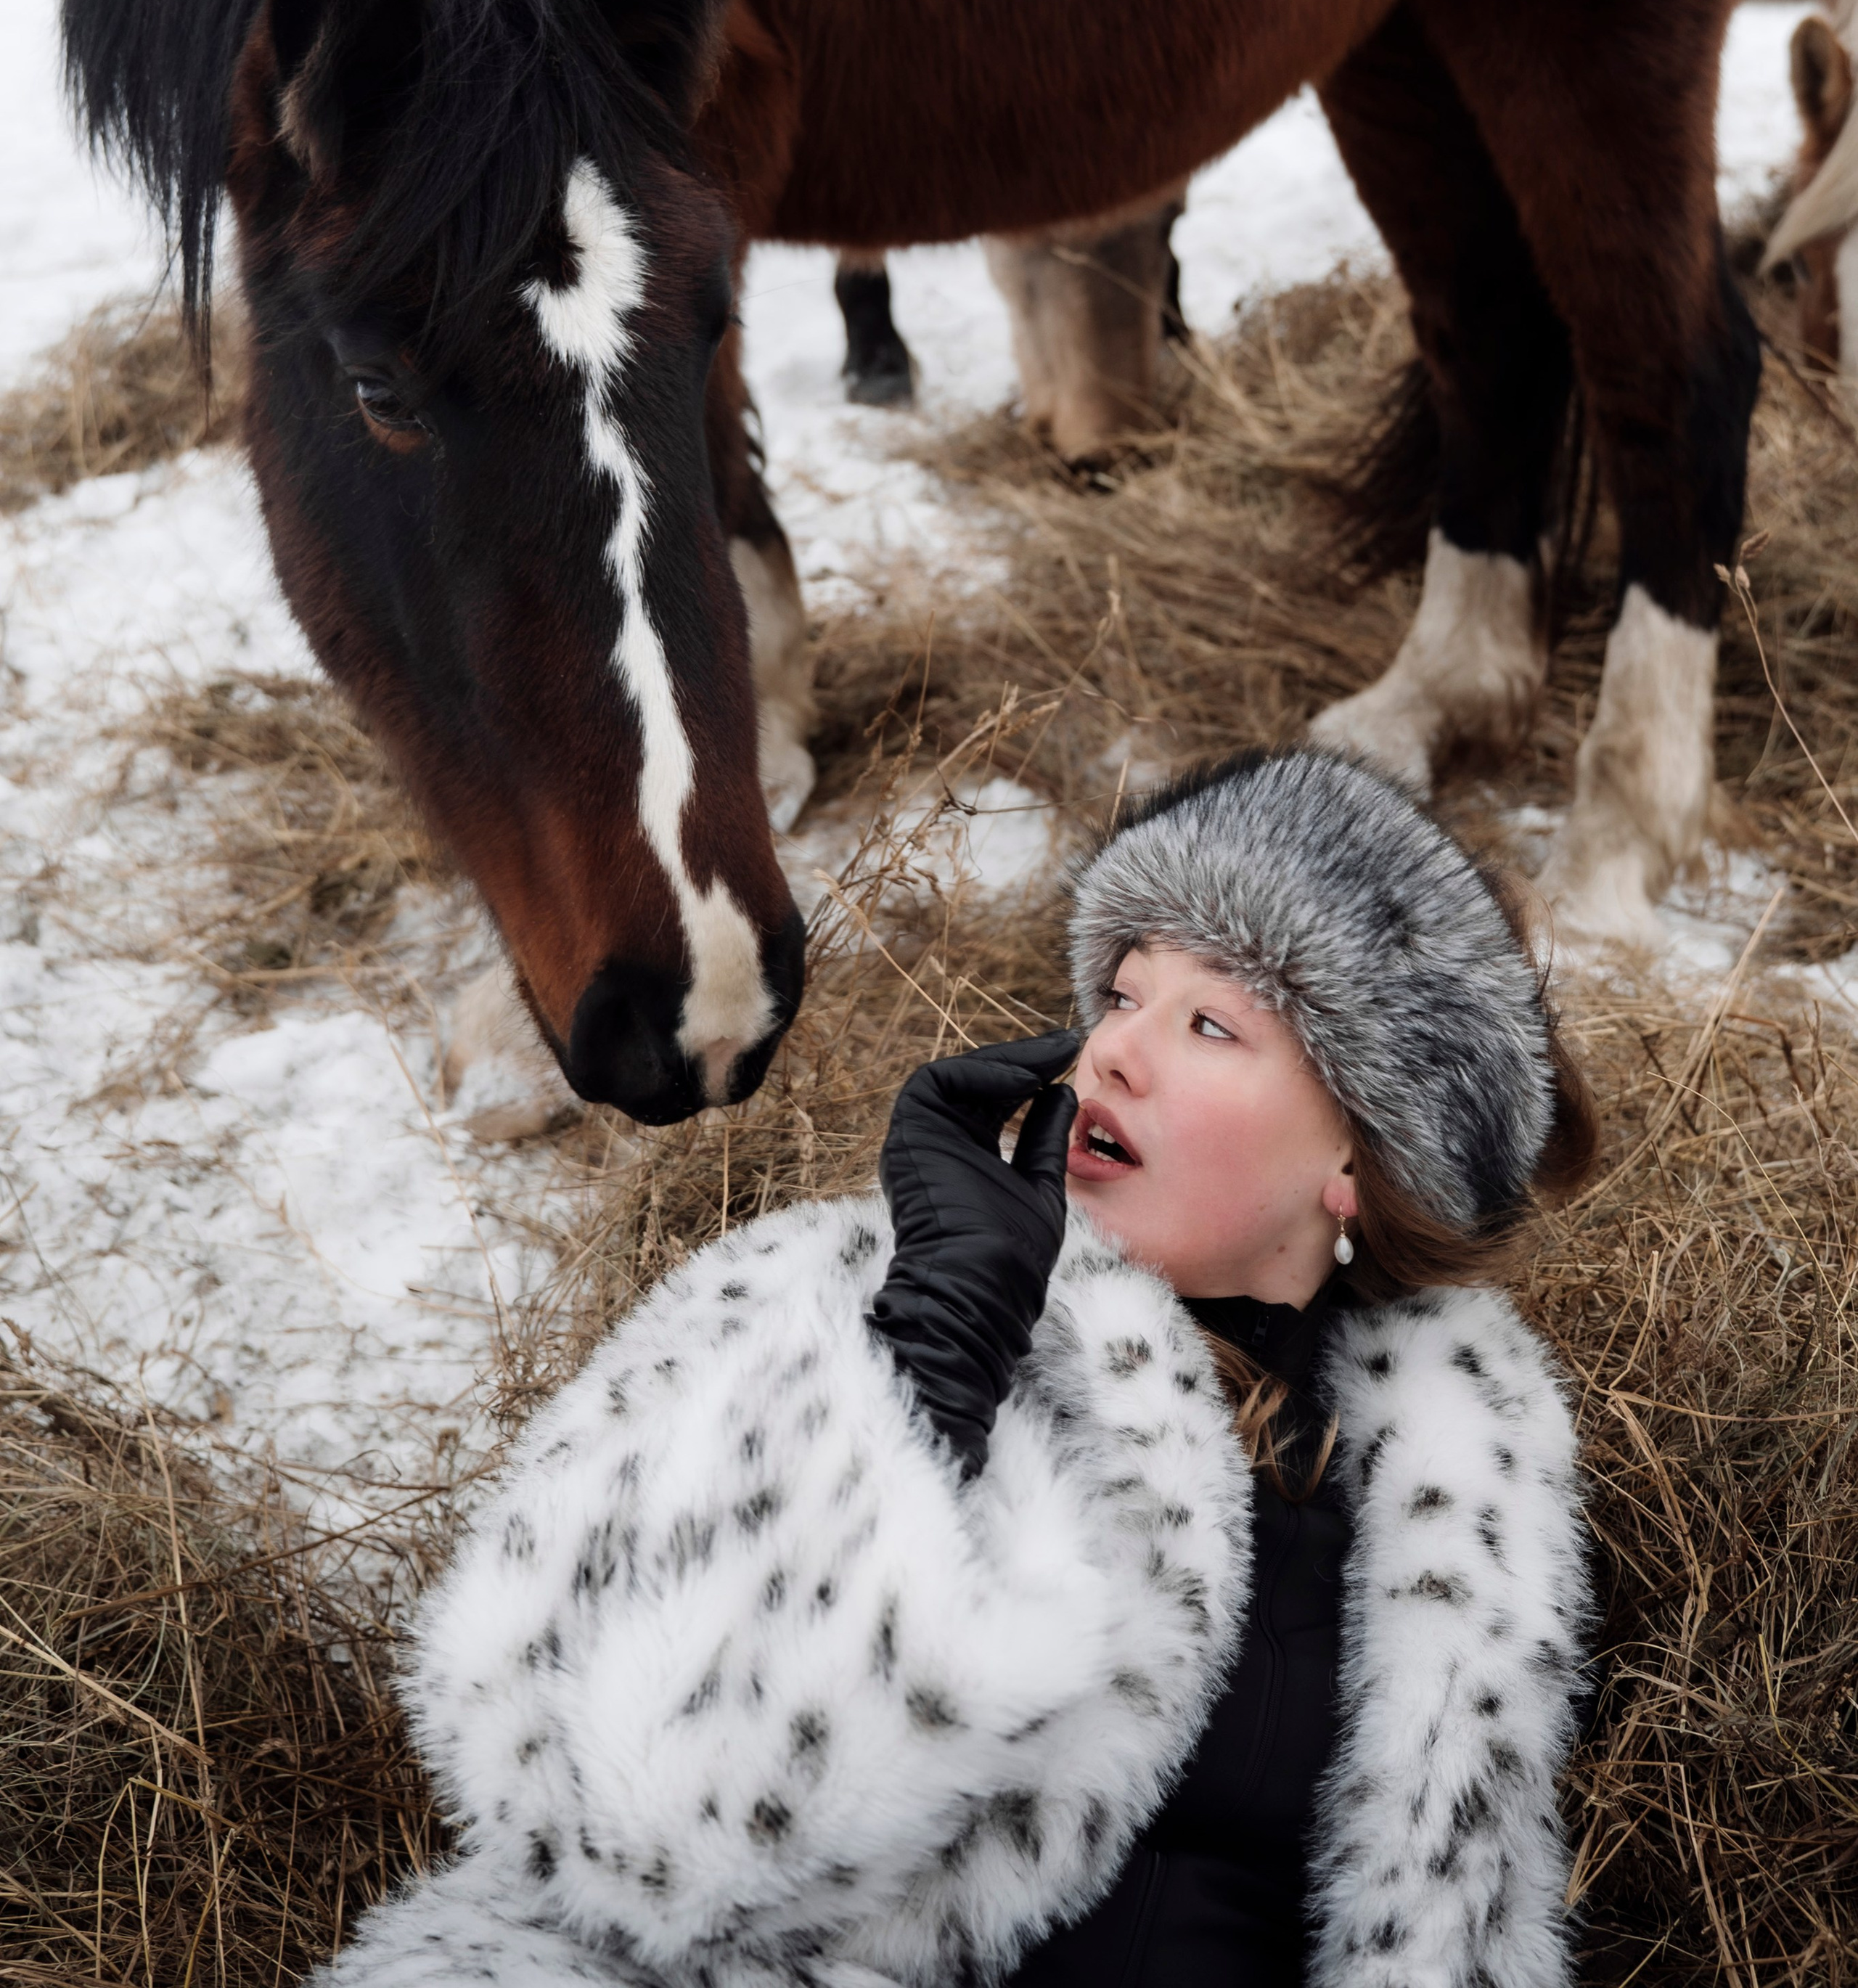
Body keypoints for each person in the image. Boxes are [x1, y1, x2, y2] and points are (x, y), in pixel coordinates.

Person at [316, 748, 1598, 1988]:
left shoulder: (1462, 1489)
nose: (1113, 1052)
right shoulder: (830, 1295)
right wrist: (933, 1342)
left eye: (1210, 1022)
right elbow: (643, 1846)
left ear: (1360, 1166)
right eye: (1120, 994)